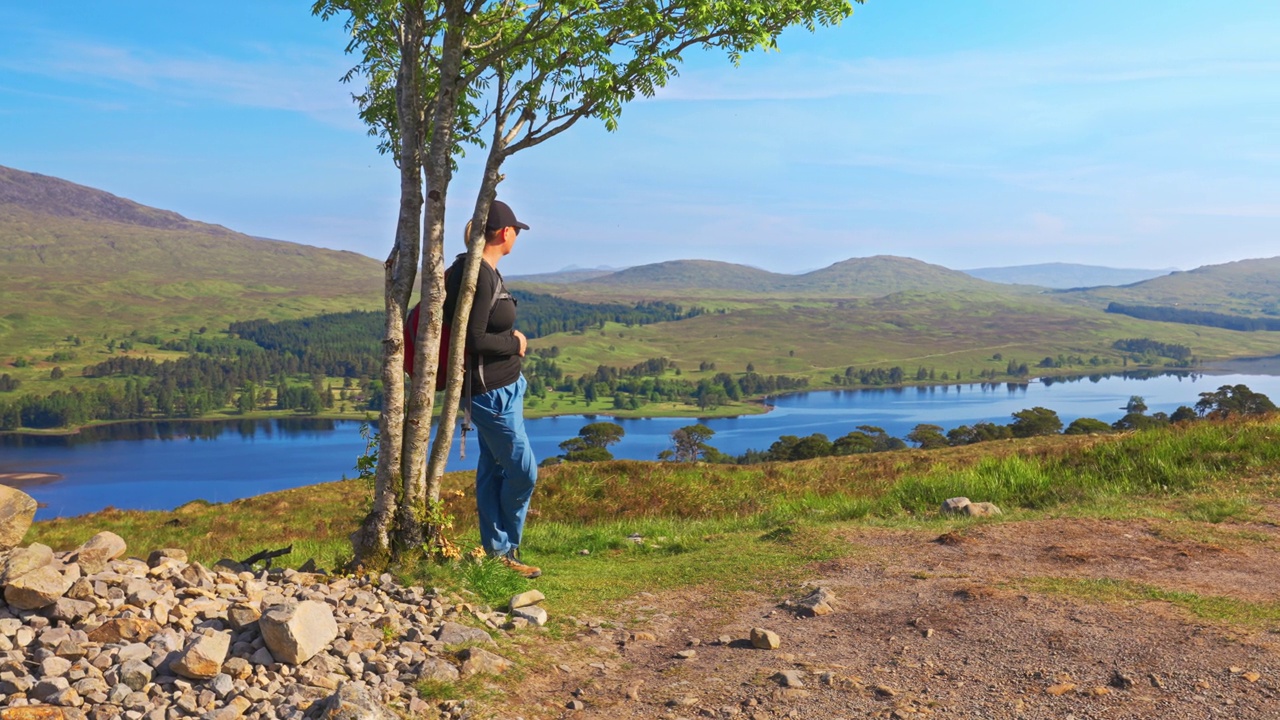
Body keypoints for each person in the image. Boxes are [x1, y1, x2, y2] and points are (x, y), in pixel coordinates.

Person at [442, 200, 541, 578]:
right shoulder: (477, 276)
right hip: (489, 392)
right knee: (522, 471)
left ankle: (498, 554)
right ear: (504, 233)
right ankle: (505, 553)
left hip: (504, 388)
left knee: (492, 468)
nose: (517, 236)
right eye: (516, 230)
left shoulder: (482, 270)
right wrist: (516, 343)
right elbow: (474, 338)